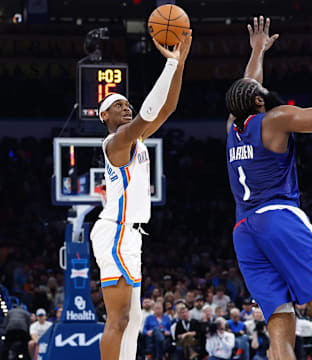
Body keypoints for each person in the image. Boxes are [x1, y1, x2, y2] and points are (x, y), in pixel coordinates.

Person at [225, 15, 312, 360]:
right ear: (259, 103)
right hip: (278, 216)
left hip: (243, 229)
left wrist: (257, 52)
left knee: (279, 322)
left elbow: (247, 84)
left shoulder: (232, 128)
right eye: (262, 94)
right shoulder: (275, 119)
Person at [90, 31, 192, 360]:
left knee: (134, 319)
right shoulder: (116, 142)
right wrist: (169, 64)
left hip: (129, 233)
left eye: (127, 104)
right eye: (118, 105)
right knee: (118, 318)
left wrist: (180, 66)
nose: (126, 108)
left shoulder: (136, 140)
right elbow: (147, 114)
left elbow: (168, 107)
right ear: (104, 116)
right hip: (117, 230)